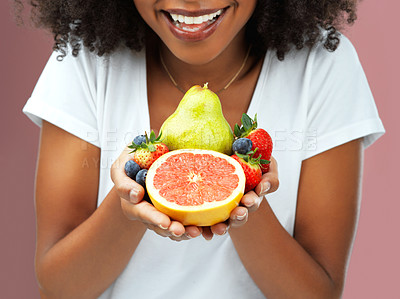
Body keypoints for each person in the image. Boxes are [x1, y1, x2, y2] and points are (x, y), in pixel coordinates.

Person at [20, 0, 384, 298]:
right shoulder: (84, 59)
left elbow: (319, 294)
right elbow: (58, 287)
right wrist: (128, 204)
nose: (191, 1)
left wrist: (243, 201)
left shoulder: (323, 64)